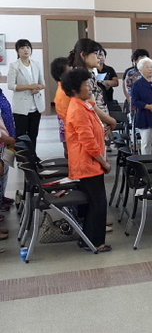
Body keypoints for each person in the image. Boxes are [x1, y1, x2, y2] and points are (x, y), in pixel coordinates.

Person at [62, 67, 116, 253]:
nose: (91, 87)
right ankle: (94, 242)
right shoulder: (78, 110)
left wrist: (105, 128)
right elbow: (89, 144)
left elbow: (95, 128)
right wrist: (104, 162)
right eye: (87, 84)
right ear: (75, 89)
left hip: (89, 163)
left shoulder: (83, 105)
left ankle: (87, 239)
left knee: (93, 203)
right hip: (87, 164)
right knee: (97, 204)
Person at [7, 39, 45, 146]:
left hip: (36, 106)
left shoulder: (36, 64)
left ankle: (33, 154)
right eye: (22, 48)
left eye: (28, 47)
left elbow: (43, 84)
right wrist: (30, 87)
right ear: (17, 51)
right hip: (21, 107)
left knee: (33, 134)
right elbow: (11, 85)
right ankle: (23, 155)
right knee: (21, 135)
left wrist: (37, 88)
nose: (26, 50)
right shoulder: (14, 66)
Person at [131, 57, 152, 157]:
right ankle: (146, 162)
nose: (150, 69)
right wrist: (148, 106)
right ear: (140, 70)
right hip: (144, 116)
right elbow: (135, 101)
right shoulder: (137, 85)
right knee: (146, 142)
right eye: (147, 67)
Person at [50, 57, 73, 158]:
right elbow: (67, 116)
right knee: (70, 151)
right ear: (61, 76)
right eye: (70, 71)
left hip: (68, 126)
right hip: (69, 127)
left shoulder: (65, 88)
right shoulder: (64, 92)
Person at [0, 88, 16, 216]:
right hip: (2, 139)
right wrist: (6, 138)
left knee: (4, 171)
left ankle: (1, 197)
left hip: (4, 139)